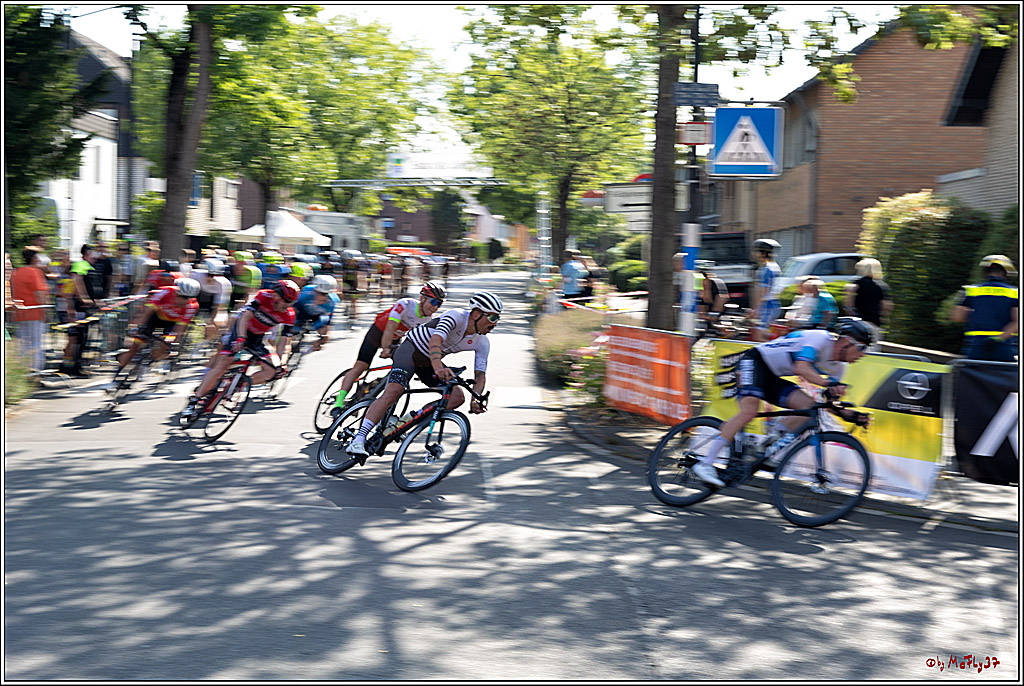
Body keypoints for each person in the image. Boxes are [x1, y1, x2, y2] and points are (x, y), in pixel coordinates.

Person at [692, 318, 875, 487]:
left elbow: (828, 403)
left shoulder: (839, 368)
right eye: (862, 349)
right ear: (846, 341)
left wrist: (851, 416)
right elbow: (800, 367)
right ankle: (706, 463)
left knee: (810, 407)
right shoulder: (820, 338)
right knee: (749, 410)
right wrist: (828, 383)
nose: (863, 355)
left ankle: (767, 445)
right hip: (755, 361)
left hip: (773, 376)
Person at [345, 290, 501, 462]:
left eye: (498, 319)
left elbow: (480, 375)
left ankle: (401, 424)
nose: (495, 324)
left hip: (430, 362)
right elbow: (435, 341)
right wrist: (439, 367)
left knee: (456, 397)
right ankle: (358, 439)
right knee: (394, 391)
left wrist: (475, 399)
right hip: (410, 351)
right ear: (477, 314)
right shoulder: (456, 316)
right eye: (493, 318)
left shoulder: (482, 342)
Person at [180, 279, 300, 420]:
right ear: (276, 296)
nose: (287, 305)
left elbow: (285, 342)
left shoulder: (289, 315)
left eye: (291, 302)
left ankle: (238, 383)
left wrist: (283, 363)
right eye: (286, 301)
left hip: (258, 337)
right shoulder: (263, 296)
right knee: (222, 365)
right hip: (240, 329)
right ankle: (195, 400)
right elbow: (244, 318)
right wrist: (241, 338)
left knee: (273, 370)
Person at [330, 281, 447, 417]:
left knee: (400, 369)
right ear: (422, 298)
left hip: (396, 339)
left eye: (439, 304)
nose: (435, 307)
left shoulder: (427, 321)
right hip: (378, 332)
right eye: (433, 302)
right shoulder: (405, 305)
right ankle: (338, 404)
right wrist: (385, 348)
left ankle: (371, 386)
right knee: (360, 366)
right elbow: (390, 327)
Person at [110, 277, 201, 380]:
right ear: (175, 291)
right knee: (134, 347)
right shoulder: (164, 292)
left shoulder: (192, 306)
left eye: (187, 298)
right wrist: (137, 326)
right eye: (181, 296)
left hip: (172, 324)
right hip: (155, 318)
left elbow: (180, 328)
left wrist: (173, 341)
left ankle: (148, 362)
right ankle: (116, 375)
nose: (183, 300)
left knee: (162, 348)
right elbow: (147, 311)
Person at [951, 255, 1018, 362]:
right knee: (1007, 377)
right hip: (1005, 346)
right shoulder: (1015, 293)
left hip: (976, 344)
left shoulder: (969, 290)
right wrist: (997, 339)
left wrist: (979, 313)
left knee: (972, 376)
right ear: (1005, 273)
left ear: (984, 271)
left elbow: (957, 317)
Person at [63, 244, 106, 377]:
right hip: (79, 308)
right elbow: (76, 281)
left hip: (88, 308)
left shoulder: (91, 267)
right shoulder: (80, 264)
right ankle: (72, 367)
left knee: (83, 338)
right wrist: (83, 298)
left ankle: (77, 366)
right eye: (93, 252)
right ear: (87, 253)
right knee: (77, 338)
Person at [10, 246, 52, 371]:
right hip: (35, 313)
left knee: (23, 345)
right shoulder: (35, 272)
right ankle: (35, 373)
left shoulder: (16, 272)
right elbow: (39, 293)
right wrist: (46, 312)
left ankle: (23, 372)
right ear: (34, 258)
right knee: (36, 344)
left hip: (19, 314)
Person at [281, 274, 340, 359]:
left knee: (326, 337)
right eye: (321, 294)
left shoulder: (333, 301)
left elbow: (328, 322)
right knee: (291, 332)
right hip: (301, 311)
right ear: (315, 291)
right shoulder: (305, 293)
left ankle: (303, 354)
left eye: (327, 294)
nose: (324, 297)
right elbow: (293, 308)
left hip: (317, 316)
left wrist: (322, 338)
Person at [843, 258, 892, 348]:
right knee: (872, 347)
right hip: (874, 320)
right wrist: (883, 316)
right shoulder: (881, 286)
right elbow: (886, 306)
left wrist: (849, 310)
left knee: (855, 346)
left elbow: (849, 295)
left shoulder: (857, 282)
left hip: (859, 319)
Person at [191, 258, 233, 340]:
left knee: (217, 321)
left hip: (213, 301)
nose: (211, 278)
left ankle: (207, 342)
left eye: (214, 275)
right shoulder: (195, 275)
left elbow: (219, 306)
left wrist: (212, 321)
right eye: (209, 275)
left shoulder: (224, 284)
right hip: (198, 296)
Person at [750, 238, 782, 342]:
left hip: (766, 305)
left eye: (757, 251)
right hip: (774, 304)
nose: (754, 254)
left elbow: (762, 291)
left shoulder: (765, 269)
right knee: (766, 336)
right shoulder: (775, 266)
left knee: (759, 337)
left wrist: (755, 309)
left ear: (763, 253)